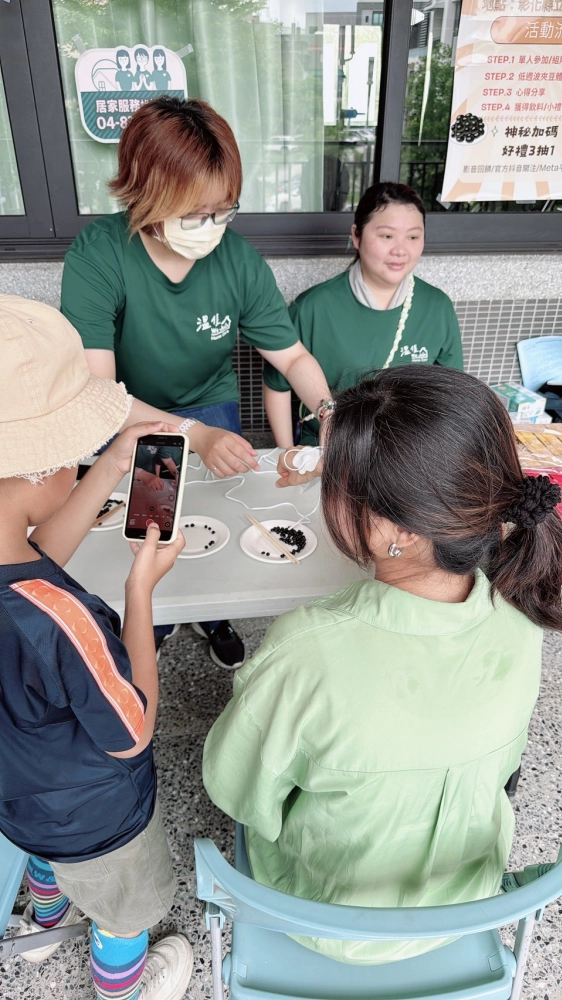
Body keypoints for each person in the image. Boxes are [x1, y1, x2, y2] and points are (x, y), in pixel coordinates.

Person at [203, 364, 562, 965]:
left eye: (334, 481)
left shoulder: (306, 648)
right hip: (466, 903)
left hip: (325, 918)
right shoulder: (524, 618)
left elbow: (236, 791)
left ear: (397, 530)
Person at [61, 95, 331, 669]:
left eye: (223, 211)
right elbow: (100, 392)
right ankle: (149, 620)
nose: (210, 229)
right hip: (131, 409)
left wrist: (330, 412)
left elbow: (294, 356)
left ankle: (214, 615)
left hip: (211, 402)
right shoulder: (101, 252)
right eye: (193, 214)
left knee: (220, 515)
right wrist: (189, 435)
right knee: (151, 524)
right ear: (144, 192)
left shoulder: (238, 261)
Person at [0, 294, 192, 1000]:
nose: (74, 471)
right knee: (124, 907)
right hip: (101, 819)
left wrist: (113, 464)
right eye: (70, 460)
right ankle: (124, 985)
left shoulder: (15, 570)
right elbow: (133, 732)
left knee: (45, 861)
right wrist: (142, 589)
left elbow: (31, 552)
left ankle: (43, 922)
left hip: (19, 797)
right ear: (32, 470)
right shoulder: (64, 619)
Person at [263, 182, 464, 448]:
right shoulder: (312, 307)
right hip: (327, 450)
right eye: (387, 236)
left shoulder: (438, 308)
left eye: (413, 237)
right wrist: (286, 453)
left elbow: (451, 394)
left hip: (407, 454)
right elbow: (278, 385)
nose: (400, 250)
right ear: (356, 236)